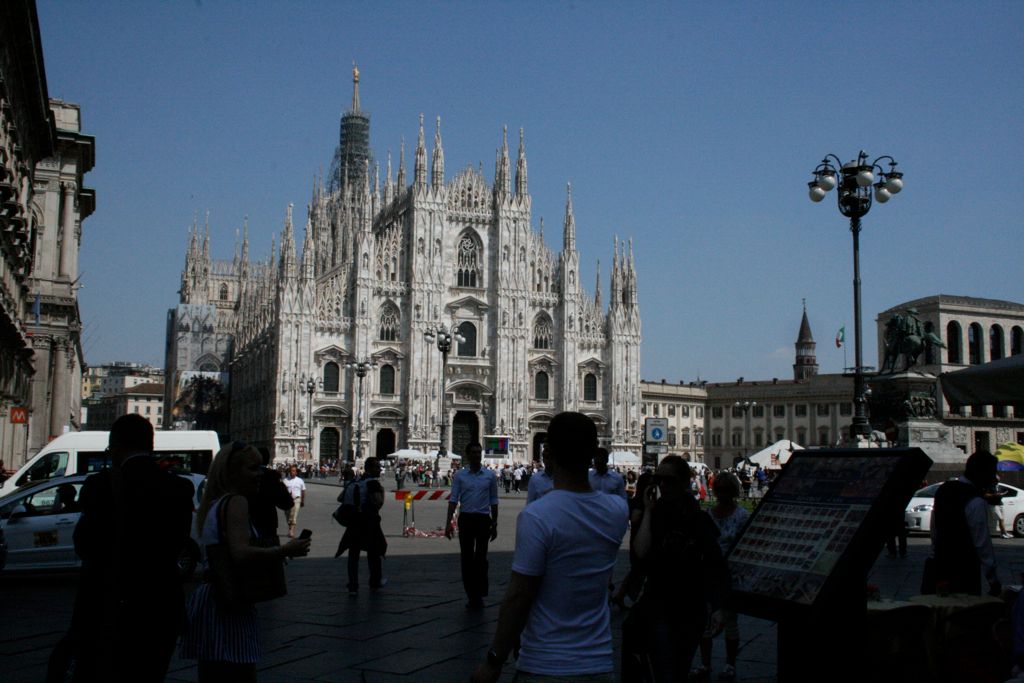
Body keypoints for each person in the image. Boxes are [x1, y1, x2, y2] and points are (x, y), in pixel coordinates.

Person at [471, 412, 628, 682]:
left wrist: (495, 659)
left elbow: (519, 596)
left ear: (549, 453)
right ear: (593, 453)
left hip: (545, 663)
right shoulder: (617, 510)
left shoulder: (538, 516)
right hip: (599, 662)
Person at [68, 414, 195, 682]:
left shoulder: (99, 485)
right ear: (151, 446)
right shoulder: (179, 487)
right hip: (160, 608)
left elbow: (84, 545)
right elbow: (180, 542)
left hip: (109, 605)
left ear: (115, 446)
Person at [180, 442, 310, 681]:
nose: (259, 474)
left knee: (213, 673)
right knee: (240, 672)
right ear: (232, 472)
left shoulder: (215, 502)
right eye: (252, 468)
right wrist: (284, 550)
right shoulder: (237, 502)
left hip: (211, 598)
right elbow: (240, 552)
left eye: (260, 467)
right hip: (228, 601)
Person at [623, 455, 729, 681]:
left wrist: (718, 606)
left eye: (668, 480)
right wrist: (648, 511)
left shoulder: (699, 519)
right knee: (664, 672)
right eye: (658, 479)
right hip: (658, 605)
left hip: (690, 607)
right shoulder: (656, 514)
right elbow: (640, 553)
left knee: (677, 670)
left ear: (684, 482)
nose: (662, 485)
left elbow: (714, 564)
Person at [693, 473, 749, 681]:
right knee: (706, 623)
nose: (723, 494)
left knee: (730, 620)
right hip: (710, 573)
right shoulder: (708, 515)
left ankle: (729, 664)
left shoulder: (741, 516)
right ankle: (705, 664)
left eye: (727, 490)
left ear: (733, 492)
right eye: (720, 489)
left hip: (732, 575)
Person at [931, 450, 1001, 596]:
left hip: (941, 567)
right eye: (992, 473)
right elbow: (982, 543)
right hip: (965, 570)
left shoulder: (943, 490)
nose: (994, 478)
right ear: (982, 473)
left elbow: (934, 529)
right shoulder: (975, 500)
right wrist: (993, 579)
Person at [446, 442, 498, 609]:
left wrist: (495, 522)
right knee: (467, 558)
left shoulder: (490, 475)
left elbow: (494, 500)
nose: (477, 455)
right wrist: (448, 523)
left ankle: (480, 591)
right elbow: (453, 500)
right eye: (474, 452)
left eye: (479, 452)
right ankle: (472, 595)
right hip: (466, 519)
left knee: (481, 558)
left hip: (483, 519)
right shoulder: (460, 476)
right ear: (467, 455)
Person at [335, 456, 387, 595]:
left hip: (354, 523)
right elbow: (378, 503)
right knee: (374, 553)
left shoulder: (354, 481)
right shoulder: (373, 484)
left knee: (353, 555)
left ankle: (353, 586)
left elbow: (340, 498)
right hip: (369, 523)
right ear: (370, 468)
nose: (379, 469)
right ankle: (374, 583)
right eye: (377, 467)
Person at [248, 446, 293, 543]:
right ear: (268, 460)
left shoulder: (241, 476)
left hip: (244, 523)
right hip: (267, 523)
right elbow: (287, 503)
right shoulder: (271, 477)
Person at [284, 465, 306, 538]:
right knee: (288, 515)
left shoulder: (300, 480)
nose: (292, 472)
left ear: (296, 472)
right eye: (291, 471)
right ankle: (290, 528)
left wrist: (302, 501)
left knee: (294, 515)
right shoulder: (285, 480)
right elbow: (282, 491)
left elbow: (303, 491)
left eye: (293, 471)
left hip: (296, 499)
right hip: (286, 500)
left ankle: (291, 531)